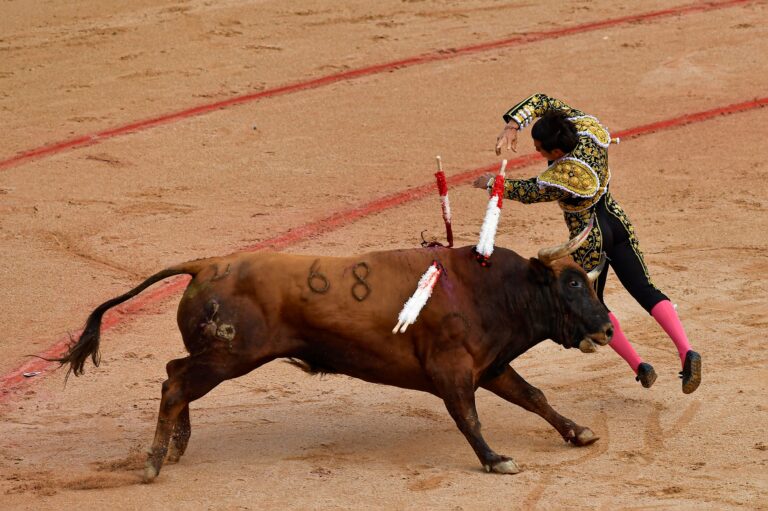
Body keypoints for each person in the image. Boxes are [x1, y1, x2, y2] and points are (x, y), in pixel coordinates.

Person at [473, 93, 701, 393]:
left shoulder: (563, 176)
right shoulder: (586, 127)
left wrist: (493, 183)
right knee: (646, 290)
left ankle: (640, 366)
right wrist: (515, 124)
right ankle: (686, 350)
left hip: (589, 236)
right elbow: (544, 101)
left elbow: (529, 191)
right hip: (616, 221)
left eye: (541, 149)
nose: (538, 152)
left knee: (596, 303)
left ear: (555, 150)